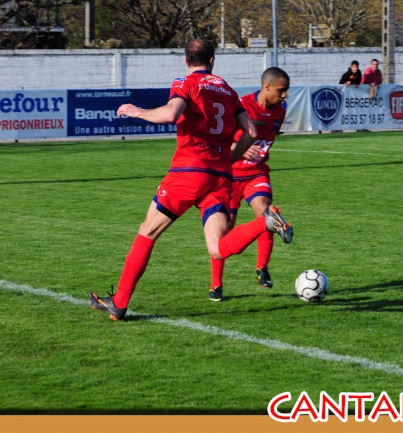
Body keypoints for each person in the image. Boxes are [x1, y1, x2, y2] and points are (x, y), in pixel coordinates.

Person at [88, 39, 293, 321]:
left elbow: (171, 114)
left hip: (188, 172)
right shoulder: (229, 90)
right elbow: (252, 133)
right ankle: (264, 222)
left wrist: (137, 112)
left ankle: (120, 302)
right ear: (212, 60)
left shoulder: (186, 83)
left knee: (147, 231)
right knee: (217, 248)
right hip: (219, 178)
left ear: (187, 61)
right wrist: (227, 162)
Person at [209, 67, 290, 301]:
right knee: (223, 229)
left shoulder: (280, 112)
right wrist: (240, 148)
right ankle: (216, 284)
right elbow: (222, 139)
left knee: (265, 213)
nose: (284, 95)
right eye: (281, 90)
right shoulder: (241, 106)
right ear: (267, 87)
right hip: (231, 175)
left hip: (256, 174)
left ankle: (262, 268)